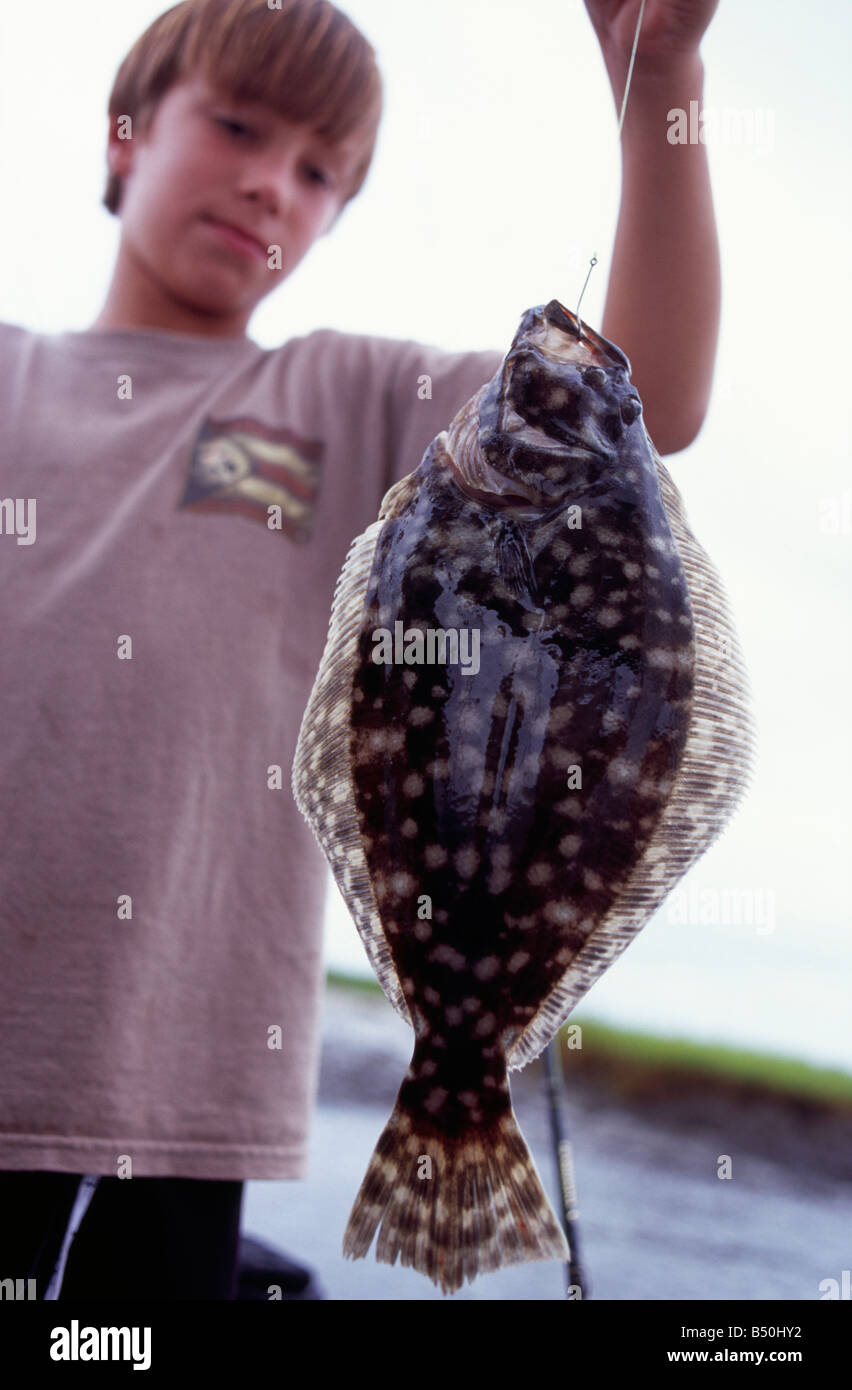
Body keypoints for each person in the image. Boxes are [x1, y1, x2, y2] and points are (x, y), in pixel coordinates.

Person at [0, 0, 721, 1300]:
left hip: (185, 1085)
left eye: (321, 169)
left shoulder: (332, 399)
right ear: (123, 138)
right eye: (235, 124)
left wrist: (659, 82)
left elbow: (647, 399)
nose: (272, 178)